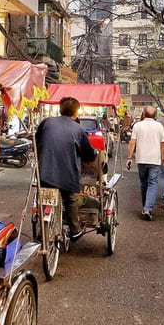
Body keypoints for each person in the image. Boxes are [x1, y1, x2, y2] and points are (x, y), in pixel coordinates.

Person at [35, 96, 98, 241]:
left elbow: (37, 142)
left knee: (43, 198)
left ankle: (42, 227)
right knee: (71, 199)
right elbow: (88, 154)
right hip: (67, 176)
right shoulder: (79, 129)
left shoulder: (46, 122)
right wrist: (92, 155)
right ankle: (74, 230)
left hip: (44, 172)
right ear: (76, 113)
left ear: (60, 109)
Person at [126, 106, 164, 221]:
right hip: (155, 160)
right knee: (152, 184)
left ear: (143, 114)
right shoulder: (159, 126)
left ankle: (146, 207)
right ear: (155, 115)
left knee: (144, 184)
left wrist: (129, 157)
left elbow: (132, 142)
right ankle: (147, 208)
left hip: (141, 159)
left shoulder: (137, 126)